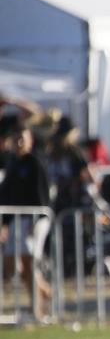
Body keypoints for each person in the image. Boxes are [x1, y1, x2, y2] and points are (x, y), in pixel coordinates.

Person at [0, 126, 52, 321]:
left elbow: (42, 195)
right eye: (17, 139)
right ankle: (45, 292)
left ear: (30, 141)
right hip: (16, 218)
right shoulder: (13, 163)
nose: (19, 143)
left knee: (28, 262)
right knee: (12, 264)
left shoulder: (35, 163)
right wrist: (4, 223)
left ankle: (36, 310)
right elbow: (5, 195)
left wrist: (35, 220)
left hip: (34, 218)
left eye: (23, 138)